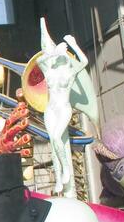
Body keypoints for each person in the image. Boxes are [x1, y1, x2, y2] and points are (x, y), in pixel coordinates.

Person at [38, 18, 89, 198]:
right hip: (51, 108)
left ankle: (66, 169)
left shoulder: (69, 72)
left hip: (63, 107)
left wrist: (73, 44)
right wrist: (53, 52)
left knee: (58, 137)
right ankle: (59, 177)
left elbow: (84, 61)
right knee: (53, 141)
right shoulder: (50, 71)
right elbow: (39, 61)